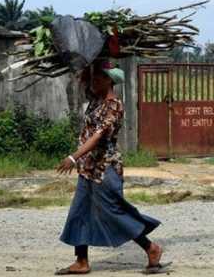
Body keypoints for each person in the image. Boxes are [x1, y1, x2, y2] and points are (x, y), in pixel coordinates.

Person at [55, 60, 164, 275]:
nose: (93, 81)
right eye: (93, 77)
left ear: (108, 80)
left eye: (98, 78)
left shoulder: (115, 105)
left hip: (105, 168)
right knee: (80, 212)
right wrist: (87, 61)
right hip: (88, 168)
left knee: (113, 212)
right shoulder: (95, 99)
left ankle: (151, 248)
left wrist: (73, 156)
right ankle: (81, 261)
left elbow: (98, 136)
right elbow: (82, 80)